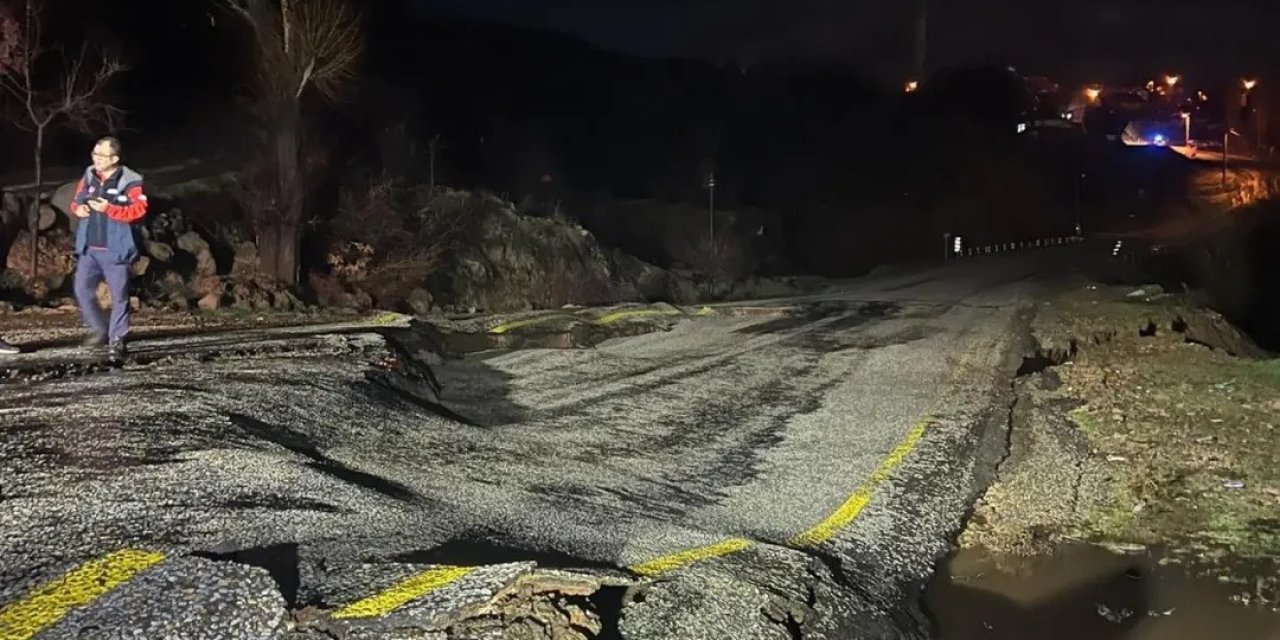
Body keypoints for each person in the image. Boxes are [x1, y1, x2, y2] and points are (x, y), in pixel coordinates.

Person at [69, 136, 148, 361]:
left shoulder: (130, 180)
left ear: (115, 158)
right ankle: (99, 329)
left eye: (101, 156)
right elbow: (77, 200)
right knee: (82, 289)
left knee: (119, 296)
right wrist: (79, 209)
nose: (96, 159)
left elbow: (138, 210)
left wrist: (109, 208)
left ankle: (118, 339)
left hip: (116, 249)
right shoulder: (89, 174)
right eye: (94, 154)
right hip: (89, 248)